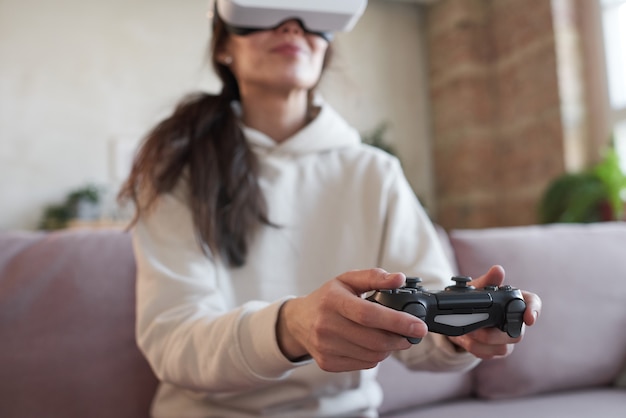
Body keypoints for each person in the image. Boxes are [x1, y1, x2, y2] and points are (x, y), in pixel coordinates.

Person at [118, 6, 542, 418]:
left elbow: (425, 331)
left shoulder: (375, 173)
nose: (292, 27)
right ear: (224, 47)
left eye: (311, 19)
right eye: (268, 13)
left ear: (326, 47)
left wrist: (463, 333)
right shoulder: (177, 171)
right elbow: (173, 339)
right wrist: (289, 327)